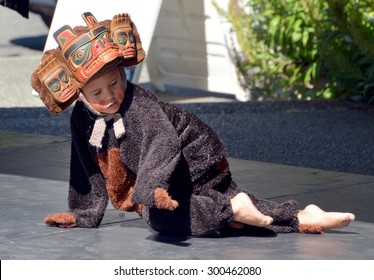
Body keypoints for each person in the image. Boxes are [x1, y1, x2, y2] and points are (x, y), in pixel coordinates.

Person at [31, 12, 355, 237]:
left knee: (161, 218)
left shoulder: (137, 102)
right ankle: (302, 216)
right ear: (81, 94)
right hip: (169, 173)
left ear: (122, 73)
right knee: (219, 206)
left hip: (190, 158)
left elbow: (163, 141)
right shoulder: (82, 118)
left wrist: (150, 188)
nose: (111, 95)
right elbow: (84, 165)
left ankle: (229, 208)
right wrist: (84, 212)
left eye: (115, 82)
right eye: (97, 92)